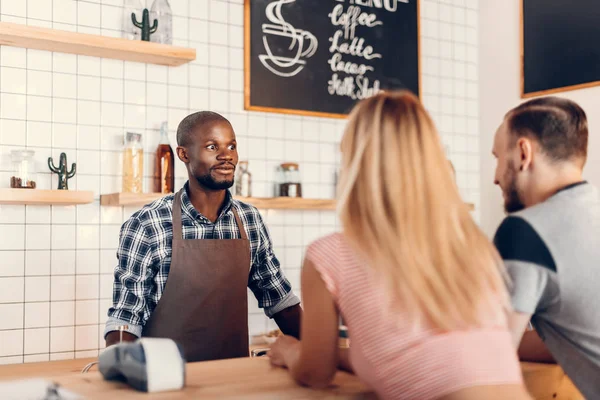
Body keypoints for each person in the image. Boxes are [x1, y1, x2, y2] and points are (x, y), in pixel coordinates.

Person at [268, 91, 530, 400]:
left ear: (354, 165)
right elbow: (423, 354)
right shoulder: (469, 245)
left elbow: (315, 374)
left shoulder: (328, 254)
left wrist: (288, 351)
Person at [104, 111, 302, 362]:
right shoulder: (148, 224)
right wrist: (120, 368)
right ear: (184, 154)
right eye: (212, 146)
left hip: (233, 375)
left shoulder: (250, 220)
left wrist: (324, 354)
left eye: (232, 146)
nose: (226, 155)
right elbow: (127, 316)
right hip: (164, 377)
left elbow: (280, 300)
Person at [492, 96, 600, 398]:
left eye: (497, 157)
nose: (495, 177)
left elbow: (489, 358)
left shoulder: (525, 232)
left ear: (524, 153)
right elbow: (576, 335)